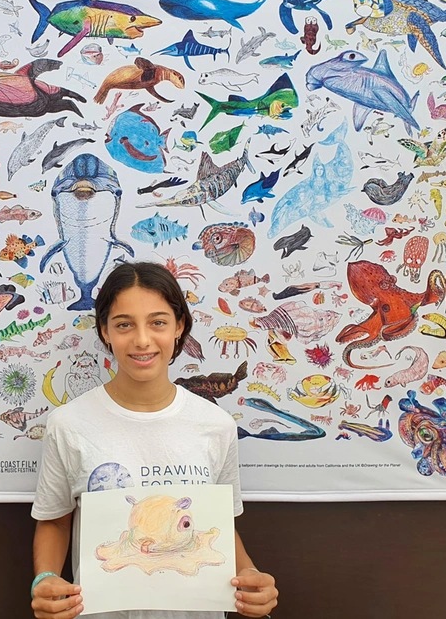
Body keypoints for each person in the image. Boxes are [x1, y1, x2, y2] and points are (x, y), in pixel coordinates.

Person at [31, 261, 279, 619]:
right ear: (105, 331)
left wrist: (251, 576)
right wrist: (45, 578)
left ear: (179, 327)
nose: (142, 340)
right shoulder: (69, 424)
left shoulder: (215, 424)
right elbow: (54, 520)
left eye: (158, 322)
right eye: (124, 325)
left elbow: (220, 527)